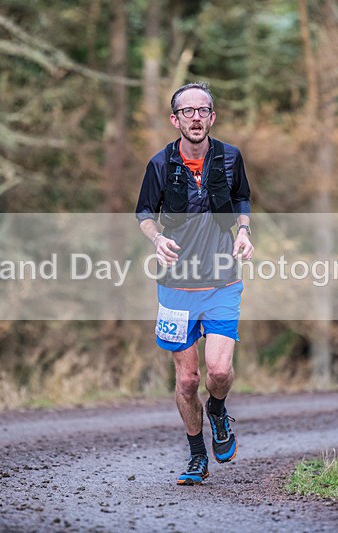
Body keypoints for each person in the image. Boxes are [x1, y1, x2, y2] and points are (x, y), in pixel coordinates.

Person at [135, 82, 254, 485]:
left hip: (222, 282)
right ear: (176, 120)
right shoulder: (159, 165)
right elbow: (144, 214)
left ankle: (218, 411)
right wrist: (157, 238)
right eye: (188, 111)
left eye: (203, 110)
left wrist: (243, 232)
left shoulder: (231, 158)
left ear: (212, 116)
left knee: (217, 372)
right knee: (187, 380)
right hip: (175, 287)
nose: (196, 117)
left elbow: (241, 200)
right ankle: (196, 456)